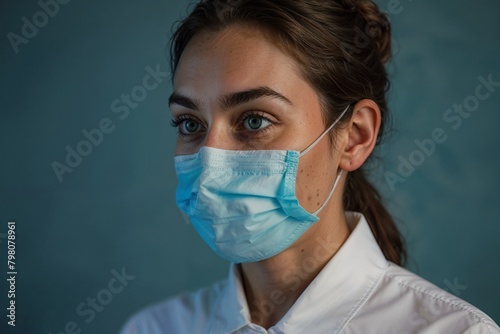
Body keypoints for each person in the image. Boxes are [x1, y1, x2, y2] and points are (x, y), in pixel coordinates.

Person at [121, 0, 500, 333]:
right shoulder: (154, 328)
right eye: (190, 123)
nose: (210, 159)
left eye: (255, 120)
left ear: (354, 136)